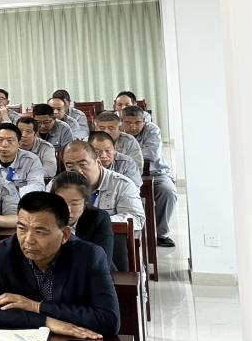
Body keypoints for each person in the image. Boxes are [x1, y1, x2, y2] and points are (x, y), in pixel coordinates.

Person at [0, 192, 117, 338]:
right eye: (22, 229)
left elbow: (109, 320)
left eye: (39, 232)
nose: (28, 240)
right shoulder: (0, 254)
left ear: (64, 235)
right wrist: (45, 321)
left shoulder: (90, 256)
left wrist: (36, 306)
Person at [61, 139, 146, 237]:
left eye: (82, 165)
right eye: (70, 166)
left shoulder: (121, 184)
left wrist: (99, 222)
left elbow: (136, 218)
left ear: (98, 162)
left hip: (108, 240)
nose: (78, 171)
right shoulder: (57, 185)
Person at [120, 104, 176, 246]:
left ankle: (161, 234)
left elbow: (151, 154)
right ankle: (125, 233)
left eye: (137, 122)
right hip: (125, 174)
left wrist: (126, 155)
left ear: (144, 121)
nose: (133, 126)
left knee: (168, 191)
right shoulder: (118, 132)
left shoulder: (152, 129)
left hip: (155, 173)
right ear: (122, 122)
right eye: (128, 122)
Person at [50, 171, 115, 268]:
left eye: (75, 204)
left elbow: (101, 263)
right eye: (61, 202)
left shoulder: (98, 218)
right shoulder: (44, 217)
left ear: (85, 203)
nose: (67, 209)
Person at [0, 122, 47, 194]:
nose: (4, 144)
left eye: (10, 140)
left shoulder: (31, 160)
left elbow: (38, 187)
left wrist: (8, 192)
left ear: (19, 143)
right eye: (0, 140)